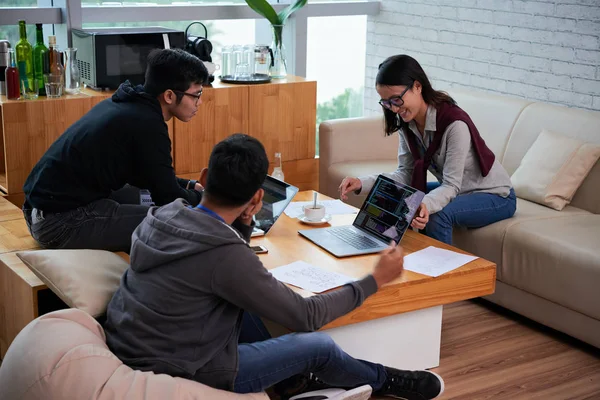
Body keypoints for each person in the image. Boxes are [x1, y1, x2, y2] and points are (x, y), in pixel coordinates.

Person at [103, 134, 444, 400]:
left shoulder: (161, 215)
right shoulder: (225, 255)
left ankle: (293, 380)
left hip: (132, 342)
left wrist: (244, 223)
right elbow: (306, 316)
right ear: (255, 200)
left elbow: (224, 261)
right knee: (318, 345)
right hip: (187, 368)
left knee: (252, 303)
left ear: (205, 177)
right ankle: (387, 380)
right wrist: (375, 280)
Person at [22, 48, 208, 252]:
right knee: (172, 220)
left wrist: (189, 186)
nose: (199, 102)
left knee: (142, 196)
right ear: (170, 96)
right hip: (59, 224)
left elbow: (149, 176)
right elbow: (168, 198)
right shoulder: (147, 124)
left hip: (38, 211)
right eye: (196, 95)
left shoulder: (128, 102)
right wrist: (209, 201)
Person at [339, 55, 516, 245]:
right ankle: (387, 259)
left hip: (494, 196)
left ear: (417, 86)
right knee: (396, 195)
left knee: (437, 215)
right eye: (386, 102)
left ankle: (438, 272)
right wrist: (360, 183)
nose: (393, 109)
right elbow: (405, 174)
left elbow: (451, 185)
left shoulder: (454, 124)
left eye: (396, 99)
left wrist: (426, 204)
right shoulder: (409, 124)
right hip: (459, 191)